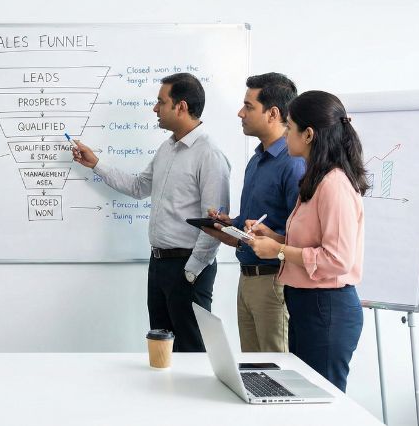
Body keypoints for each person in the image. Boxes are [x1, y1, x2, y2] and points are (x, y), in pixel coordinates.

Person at [73, 73, 230, 352]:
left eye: (161, 102)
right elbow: (138, 187)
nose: (155, 109)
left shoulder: (209, 155)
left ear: (181, 107)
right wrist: (96, 164)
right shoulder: (167, 148)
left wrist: (191, 272)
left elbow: (215, 223)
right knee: (161, 348)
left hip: (188, 267)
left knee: (191, 350)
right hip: (159, 265)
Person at [245, 90, 367, 391]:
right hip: (306, 303)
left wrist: (279, 250)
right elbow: (312, 242)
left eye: (290, 127)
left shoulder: (334, 185)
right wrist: (273, 237)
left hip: (327, 307)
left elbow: (337, 260)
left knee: (321, 401)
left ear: (308, 134)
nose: (285, 134)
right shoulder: (316, 180)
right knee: (302, 397)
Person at [203, 73, 304, 353]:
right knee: (253, 370)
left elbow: (303, 237)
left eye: (248, 106)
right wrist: (227, 225)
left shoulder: (293, 164)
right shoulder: (257, 160)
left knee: (278, 372)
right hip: (246, 279)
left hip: (274, 281)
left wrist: (270, 240)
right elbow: (252, 227)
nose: (240, 113)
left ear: (273, 114)